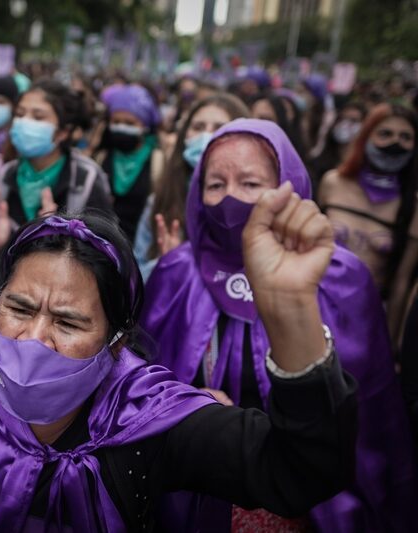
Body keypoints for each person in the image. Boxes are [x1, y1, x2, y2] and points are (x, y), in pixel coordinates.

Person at [0, 204, 358, 531]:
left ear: (117, 339)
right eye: (18, 309)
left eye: (67, 321)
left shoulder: (150, 420)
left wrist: (290, 309)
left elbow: (301, 471)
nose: (35, 337)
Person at [141, 118, 415, 531]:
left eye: (250, 183)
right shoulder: (175, 273)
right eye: (215, 185)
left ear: (285, 186)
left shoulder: (340, 276)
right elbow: (139, 392)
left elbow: (374, 420)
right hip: (194, 496)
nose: (230, 197)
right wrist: (191, 409)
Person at [0, 79, 112, 327]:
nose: (25, 123)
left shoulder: (86, 183)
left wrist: (53, 240)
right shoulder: (2, 180)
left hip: (58, 326)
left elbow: (105, 269)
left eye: (38, 116)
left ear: (63, 131)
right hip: (2, 321)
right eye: (20, 114)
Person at [318, 103, 418, 344]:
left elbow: (402, 283)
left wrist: (392, 344)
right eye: (385, 134)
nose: (395, 143)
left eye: (406, 137)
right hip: (317, 308)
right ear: (366, 136)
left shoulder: (412, 206)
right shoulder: (333, 183)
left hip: (369, 321)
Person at [134, 94, 249, 280]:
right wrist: (169, 263)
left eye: (220, 128)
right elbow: (136, 280)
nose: (207, 135)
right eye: (198, 127)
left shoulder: (252, 203)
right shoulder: (160, 201)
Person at [94, 84, 163, 241]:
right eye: (116, 121)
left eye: (129, 123)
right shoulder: (101, 157)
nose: (121, 127)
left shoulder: (158, 161)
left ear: (144, 125)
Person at [310, 102, 366, 187]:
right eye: (342, 119)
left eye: (353, 120)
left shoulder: (364, 168)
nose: (346, 124)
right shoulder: (318, 162)